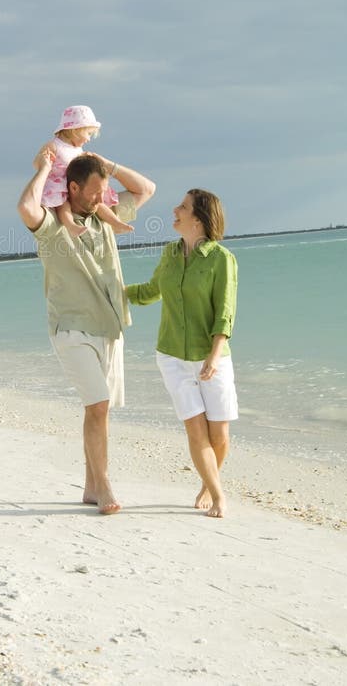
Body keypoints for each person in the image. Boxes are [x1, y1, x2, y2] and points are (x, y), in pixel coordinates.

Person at [17, 143, 155, 514]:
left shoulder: (102, 214)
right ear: (73, 188)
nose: (99, 197)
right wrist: (46, 169)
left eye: (102, 190)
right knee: (97, 405)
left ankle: (91, 487)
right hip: (71, 328)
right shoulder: (51, 226)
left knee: (99, 410)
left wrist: (104, 164)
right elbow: (26, 207)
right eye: (92, 190)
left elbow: (146, 189)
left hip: (109, 326)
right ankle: (105, 485)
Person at [126, 189, 238, 518]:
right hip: (172, 356)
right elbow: (150, 292)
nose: (175, 210)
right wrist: (112, 291)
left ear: (199, 218)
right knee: (195, 429)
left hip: (212, 357)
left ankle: (207, 482)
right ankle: (218, 495)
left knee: (219, 433)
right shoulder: (170, 254)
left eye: (183, 207)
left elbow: (225, 313)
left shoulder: (222, 259)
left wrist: (214, 357)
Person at [41, 105, 134, 238]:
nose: (89, 139)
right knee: (63, 205)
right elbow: (37, 162)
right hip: (59, 183)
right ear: (75, 130)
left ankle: (116, 222)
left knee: (99, 202)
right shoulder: (55, 145)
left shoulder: (78, 149)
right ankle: (70, 225)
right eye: (88, 133)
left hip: (77, 182)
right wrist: (46, 162)